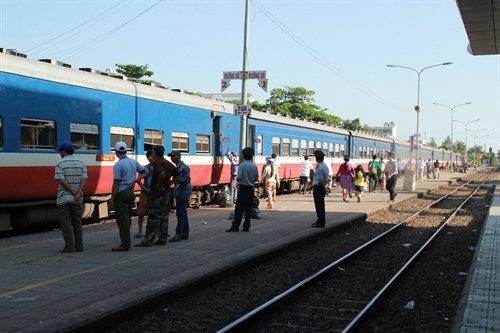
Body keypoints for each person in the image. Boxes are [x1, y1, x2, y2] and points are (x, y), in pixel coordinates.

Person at [136, 145, 180, 247]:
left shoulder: (157, 163)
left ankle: (148, 240)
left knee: (153, 217)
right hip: (167, 193)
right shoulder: (168, 163)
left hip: (158, 194)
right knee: (164, 217)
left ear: (154, 153)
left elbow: (161, 173)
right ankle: (162, 238)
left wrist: (160, 184)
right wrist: (170, 183)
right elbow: (178, 174)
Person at [110, 141, 148, 251]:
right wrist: (135, 180)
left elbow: (116, 183)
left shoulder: (118, 165)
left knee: (122, 221)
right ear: (125, 151)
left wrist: (112, 199)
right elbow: (145, 172)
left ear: (116, 152)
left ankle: (124, 244)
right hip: (130, 192)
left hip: (121, 193)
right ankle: (126, 242)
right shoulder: (133, 162)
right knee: (128, 218)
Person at [54, 140, 87, 253]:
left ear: (64, 151)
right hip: (78, 198)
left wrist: (73, 192)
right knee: (77, 222)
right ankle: (79, 246)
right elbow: (84, 179)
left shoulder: (60, 164)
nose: (60, 153)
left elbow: (61, 181)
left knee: (66, 223)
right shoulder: (81, 163)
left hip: (64, 198)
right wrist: (78, 193)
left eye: (60, 151)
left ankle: (69, 247)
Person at [226, 147, 258, 232]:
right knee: (248, 209)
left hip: (243, 188)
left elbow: (239, 177)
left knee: (239, 209)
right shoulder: (254, 165)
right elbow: (256, 178)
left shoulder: (242, 165)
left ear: (243, 156)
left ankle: (235, 226)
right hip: (251, 189)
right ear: (252, 156)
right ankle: (246, 226)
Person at [168, 150, 192, 242]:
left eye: (173, 156)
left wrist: (176, 179)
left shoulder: (183, 168)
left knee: (180, 214)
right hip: (180, 193)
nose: (171, 158)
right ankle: (185, 233)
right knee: (183, 214)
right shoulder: (177, 167)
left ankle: (179, 233)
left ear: (177, 157)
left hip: (183, 193)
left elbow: (186, 179)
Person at [135, 150, 154, 238]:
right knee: (141, 213)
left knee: (153, 213)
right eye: (150, 156)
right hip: (147, 192)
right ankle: (140, 230)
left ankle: (145, 231)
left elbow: (138, 179)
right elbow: (138, 179)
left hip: (150, 192)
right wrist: (144, 188)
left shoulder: (148, 168)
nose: (151, 158)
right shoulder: (145, 168)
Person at [311, 150, 329, 228]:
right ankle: (319, 220)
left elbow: (321, 180)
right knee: (320, 205)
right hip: (320, 187)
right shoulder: (325, 166)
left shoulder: (320, 167)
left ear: (317, 158)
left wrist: (324, 189)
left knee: (319, 206)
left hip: (319, 188)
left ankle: (321, 222)